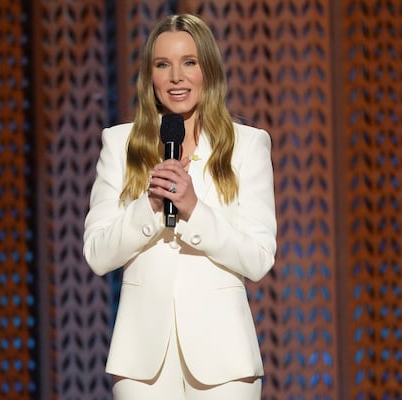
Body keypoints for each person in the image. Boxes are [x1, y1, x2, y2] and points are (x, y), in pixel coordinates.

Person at [83, 13, 277, 399]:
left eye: (189, 62)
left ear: (208, 69)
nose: (176, 77)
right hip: (142, 364)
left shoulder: (248, 145)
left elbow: (258, 258)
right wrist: (150, 205)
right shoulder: (120, 144)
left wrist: (194, 209)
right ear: (149, 76)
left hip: (224, 361)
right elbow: (97, 254)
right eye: (163, 65)